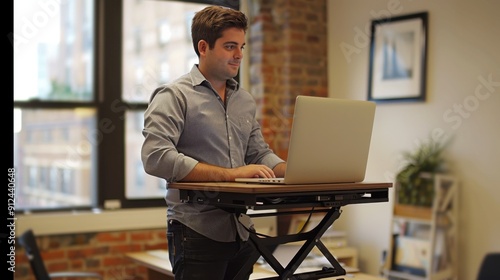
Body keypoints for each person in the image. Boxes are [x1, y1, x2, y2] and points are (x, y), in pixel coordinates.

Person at [141, 5, 286, 280]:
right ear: (203, 47)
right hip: (196, 231)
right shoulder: (173, 96)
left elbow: (259, 153)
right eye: (230, 46)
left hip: (242, 231)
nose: (239, 55)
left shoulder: (244, 101)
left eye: (242, 46)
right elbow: (155, 157)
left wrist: (292, 169)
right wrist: (232, 175)